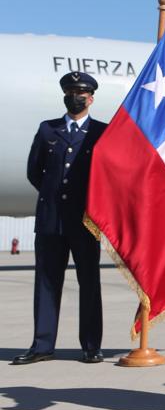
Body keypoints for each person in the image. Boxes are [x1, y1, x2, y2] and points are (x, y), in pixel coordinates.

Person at [13, 72, 106, 365]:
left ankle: (91, 346)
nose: (75, 98)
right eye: (70, 93)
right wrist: (53, 195)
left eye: (81, 94)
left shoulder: (102, 132)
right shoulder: (47, 130)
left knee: (89, 282)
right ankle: (42, 346)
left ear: (91, 99)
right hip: (51, 220)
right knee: (46, 283)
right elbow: (34, 171)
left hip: (85, 221)